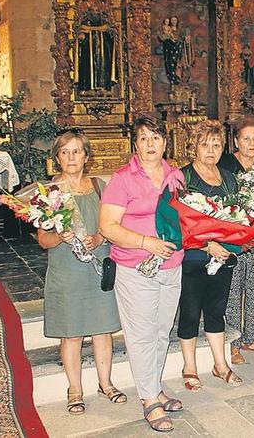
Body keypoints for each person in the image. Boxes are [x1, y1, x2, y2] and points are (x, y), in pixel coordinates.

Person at [99, 115, 184, 433]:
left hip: (171, 265)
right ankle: (149, 399)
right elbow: (107, 227)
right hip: (135, 267)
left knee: (162, 332)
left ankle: (155, 387)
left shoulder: (175, 175)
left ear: (166, 142)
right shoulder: (122, 178)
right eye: (144, 138)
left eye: (157, 138)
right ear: (135, 143)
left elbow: (185, 216)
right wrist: (147, 242)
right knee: (142, 336)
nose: (151, 144)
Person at [37, 128, 124, 415]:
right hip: (67, 271)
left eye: (77, 151)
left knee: (103, 331)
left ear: (87, 156)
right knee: (71, 334)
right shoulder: (50, 193)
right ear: (57, 158)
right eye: (65, 151)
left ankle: (106, 383)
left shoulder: (100, 187)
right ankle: (75, 389)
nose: (71, 157)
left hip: (98, 269)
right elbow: (43, 240)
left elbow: (112, 227)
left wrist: (100, 238)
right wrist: (59, 237)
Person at [178, 119, 242, 391]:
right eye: (205, 144)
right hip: (194, 257)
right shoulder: (183, 177)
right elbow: (175, 222)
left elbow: (240, 216)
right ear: (194, 146)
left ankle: (220, 364)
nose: (211, 150)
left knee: (217, 311)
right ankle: (189, 367)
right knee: (190, 312)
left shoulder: (228, 178)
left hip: (223, 256)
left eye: (216, 144)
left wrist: (232, 243)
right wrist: (206, 246)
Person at [221, 118, 254, 366]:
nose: (251, 143)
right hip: (234, 240)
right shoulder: (225, 167)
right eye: (246, 138)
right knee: (232, 292)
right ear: (235, 141)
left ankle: (251, 337)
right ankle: (232, 344)